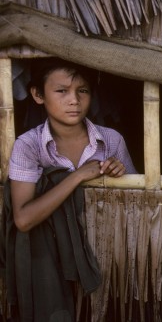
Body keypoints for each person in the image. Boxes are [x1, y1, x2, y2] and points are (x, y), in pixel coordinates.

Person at [5, 59, 136, 318]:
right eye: (62, 91)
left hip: (106, 254)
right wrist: (76, 177)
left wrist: (118, 174)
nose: (74, 100)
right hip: (51, 263)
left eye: (82, 91)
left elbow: (136, 206)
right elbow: (23, 218)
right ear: (38, 95)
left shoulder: (111, 139)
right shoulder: (28, 146)